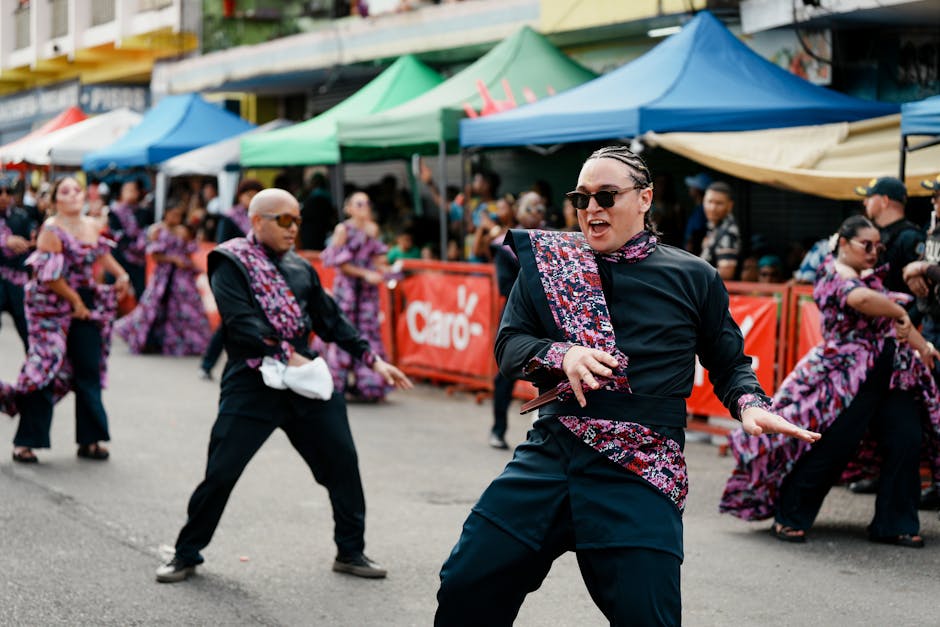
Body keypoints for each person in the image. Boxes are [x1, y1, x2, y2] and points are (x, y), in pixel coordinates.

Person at [434, 146, 818, 626]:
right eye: (581, 197)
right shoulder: (550, 265)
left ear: (645, 199)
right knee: (466, 584)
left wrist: (749, 404)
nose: (591, 208)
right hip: (553, 451)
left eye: (606, 196)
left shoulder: (693, 276)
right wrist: (563, 353)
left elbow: (729, 363)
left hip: (642, 465)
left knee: (649, 618)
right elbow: (509, 346)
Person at [155, 188, 412, 583]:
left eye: (298, 221)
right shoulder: (231, 261)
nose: (294, 229)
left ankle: (350, 550)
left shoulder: (300, 268)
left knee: (342, 463)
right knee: (222, 471)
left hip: (302, 377)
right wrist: (280, 350)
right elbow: (239, 321)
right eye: (285, 220)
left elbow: (331, 319)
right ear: (257, 221)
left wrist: (372, 359)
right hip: (253, 378)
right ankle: (186, 553)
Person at [720, 215, 940, 547]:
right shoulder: (830, 273)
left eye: (878, 246)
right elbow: (860, 300)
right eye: (866, 245)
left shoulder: (873, 278)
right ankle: (790, 516)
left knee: (906, 439)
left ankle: (895, 523)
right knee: (832, 444)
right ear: (843, 244)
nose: (873, 251)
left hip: (892, 374)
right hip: (842, 378)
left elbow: (894, 323)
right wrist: (899, 310)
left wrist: (923, 345)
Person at [1, 177, 130, 463]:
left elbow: (103, 255)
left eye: (76, 190)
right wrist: (76, 302)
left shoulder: (92, 225)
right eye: (65, 191)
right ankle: (27, 442)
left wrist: (122, 276)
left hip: (83, 299)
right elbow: (51, 277)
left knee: (88, 369)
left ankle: (91, 440)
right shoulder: (51, 229)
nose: (72, 195)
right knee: (45, 370)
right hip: (50, 303)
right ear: (55, 199)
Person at [846, 176, 927, 494]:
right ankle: (877, 473)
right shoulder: (879, 236)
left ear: (883, 200)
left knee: (902, 419)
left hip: (903, 338)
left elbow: (919, 293)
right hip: (877, 341)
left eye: (870, 197)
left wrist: (907, 326)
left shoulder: (909, 238)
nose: (866, 204)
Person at [315, 191, 394, 402]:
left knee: (368, 332)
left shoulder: (373, 229)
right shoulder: (343, 230)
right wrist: (364, 273)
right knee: (341, 331)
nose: (364, 207)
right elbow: (336, 261)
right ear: (349, 208)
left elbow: (377, 258)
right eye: (359, 204)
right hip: (348, 289)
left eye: (367, 203)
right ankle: (335, 383)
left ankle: (368, 385)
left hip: (367, 293)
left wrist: (386, 270)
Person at [114, 200, 210, 356]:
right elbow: (154, 255)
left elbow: (189, 250)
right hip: (163, 277)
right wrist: (173, 259)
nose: (176, 218)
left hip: (182, 279)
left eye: (179, 215)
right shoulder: (157, 230)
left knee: (185, 310)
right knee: (151, 308)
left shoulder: (182, 231)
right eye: (173, 215)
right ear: (166, 214)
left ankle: (187, 344)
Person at [199, 179, 264, 380]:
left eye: (256, 194)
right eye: (248, 194)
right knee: (231, 321)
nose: (251, 198)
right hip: (237, 277)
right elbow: (222, 249)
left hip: (262, 279)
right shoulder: (230, 218)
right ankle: (208, 363)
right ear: (240, 196)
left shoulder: (265, 219)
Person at [902, 174, 940, 511]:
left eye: (939, 197)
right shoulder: (932, 229)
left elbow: (927, 268)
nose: (934, 202)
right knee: (931, 407)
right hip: (931, 325)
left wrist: (922, 267)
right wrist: (916, 269)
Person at [0, 173, 35, 350]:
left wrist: (30, 242)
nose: (4, 196)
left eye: (8, 191)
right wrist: (5, 241)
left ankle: (34, 373)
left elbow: (32, 241)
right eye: (0, 192)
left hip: (18, 282)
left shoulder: (21, 216)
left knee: (27, 331)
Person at [107, 177, 148, 299]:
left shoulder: (144, 212)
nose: (130, 193)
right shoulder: (114, 212)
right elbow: (115, 235)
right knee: (113, 290)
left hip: (138, 259)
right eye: (127, 190)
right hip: (119, 257)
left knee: (141, 292)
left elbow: (147, 232)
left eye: (133, 190)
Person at [699, 181, 740, 280]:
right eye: (709, 202)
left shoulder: (728, 232)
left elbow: (726, 274)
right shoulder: (715, 227)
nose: (713, 208)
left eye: (719, 203)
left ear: (730, 206)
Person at [682, 172, 711, 255]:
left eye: (693, 186)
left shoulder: (701, 211)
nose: (690, 188)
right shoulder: (699, 209)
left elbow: (696, 234)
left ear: (697, 190)